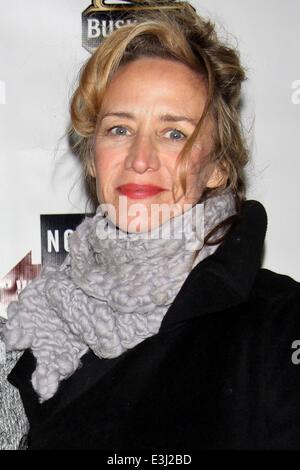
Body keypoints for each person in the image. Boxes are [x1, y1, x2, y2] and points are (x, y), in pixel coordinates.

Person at [1, 0, 300, 450]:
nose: (140, 158)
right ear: (93, 160)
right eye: (119, 129)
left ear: (218, 166)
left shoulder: (279, 324)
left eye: (174, 133)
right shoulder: (34, 332)